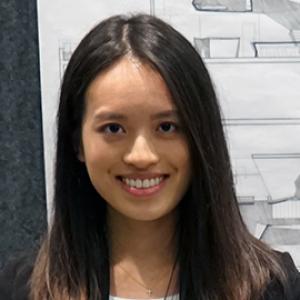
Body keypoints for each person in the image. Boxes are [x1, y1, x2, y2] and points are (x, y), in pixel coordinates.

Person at [0, 14, 299, 300]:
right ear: (78, 142)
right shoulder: (25, 288)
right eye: (114, 128)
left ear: (200, 137)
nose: (141, 156)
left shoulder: (272, 287)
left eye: (167, 127)